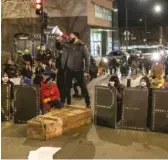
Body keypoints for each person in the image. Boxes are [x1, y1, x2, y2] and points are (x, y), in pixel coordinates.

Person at [59, 32, 91, 108]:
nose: (70, 37)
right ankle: (62, 102)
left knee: (83, 87)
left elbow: (87, 58)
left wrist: (86, 70)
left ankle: (88, 102)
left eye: (71, 35)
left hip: (79, 70)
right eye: (69, 35)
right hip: (69, 69)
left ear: (76, 37)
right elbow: (59, 46)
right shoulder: (68, 44)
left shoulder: (82, 46)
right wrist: (58, 41)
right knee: (66, 87)